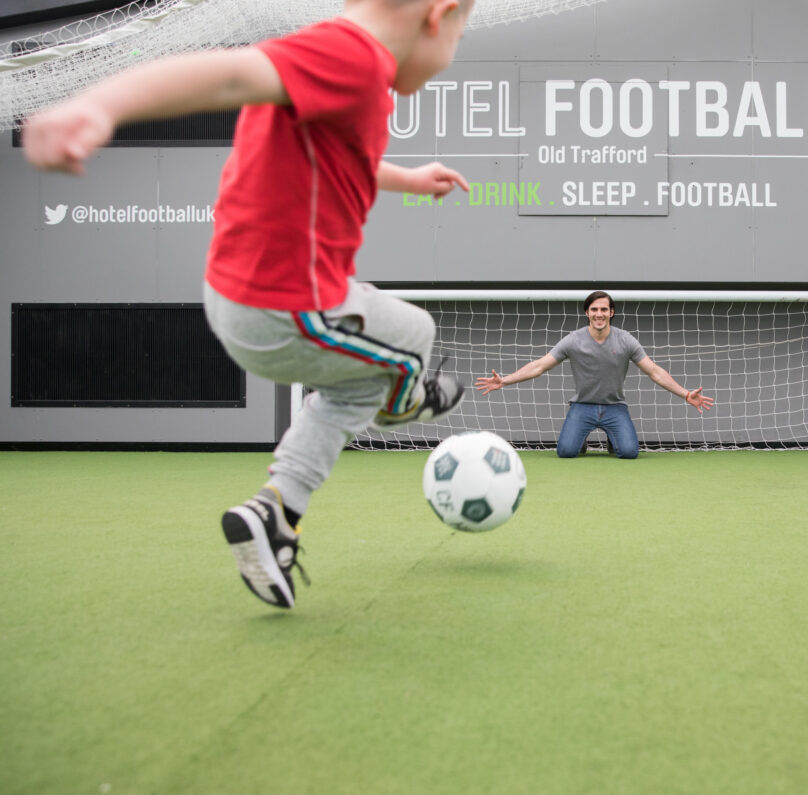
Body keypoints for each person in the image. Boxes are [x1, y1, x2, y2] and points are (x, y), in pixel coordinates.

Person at [23, 0, 476, 610]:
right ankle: (406, 403)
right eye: (462, 31)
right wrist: (99, 104)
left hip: (239, 300)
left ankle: (275, 514)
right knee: (413, 335)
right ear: (437, 15)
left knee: (350, 388)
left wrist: (412, 179)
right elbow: (230, 74)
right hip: (288, 306)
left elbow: (351, 162)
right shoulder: (353, 56)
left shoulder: (348, 73)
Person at [475, 290, 714, 459]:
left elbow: (654, 371)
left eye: (603, 309)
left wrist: (685, 394)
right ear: (587, 313)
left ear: (611, 313)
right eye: (594, 310)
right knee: (566, 453)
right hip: (583, 407)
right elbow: (540, 365)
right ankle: (580, 442)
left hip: (615, 408)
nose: (599, 314)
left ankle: (613, 437)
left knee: (629, 453)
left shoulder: (625, 340)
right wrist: (504, 380)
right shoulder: (573, 340)